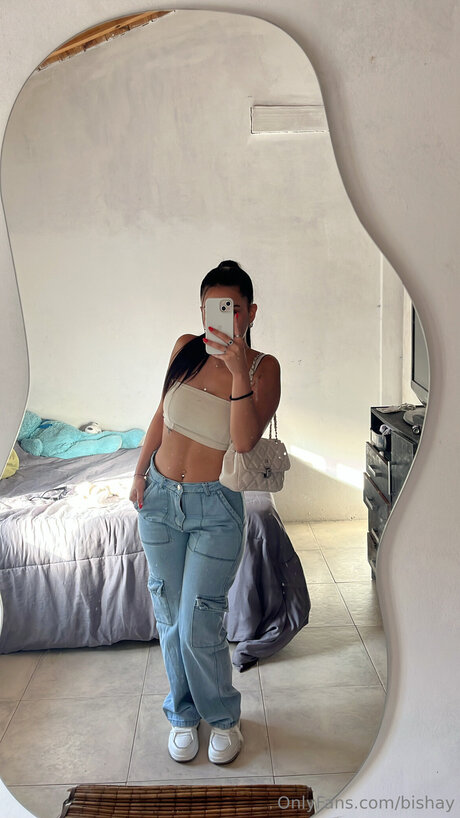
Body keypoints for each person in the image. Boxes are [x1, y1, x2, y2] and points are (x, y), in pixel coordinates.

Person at [130, 260, 281, 765]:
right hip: (159, 498)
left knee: (199, 618)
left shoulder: (263, 368)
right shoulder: (184, 348)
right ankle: (182, 713)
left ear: (250, 313)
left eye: (232, 308)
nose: (220, 318)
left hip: (215, 507)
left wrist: (237, 371)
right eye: (211, 308)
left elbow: (244, 439)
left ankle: (222, 717)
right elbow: (161, 415)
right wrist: (138, 473)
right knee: (170, 616)